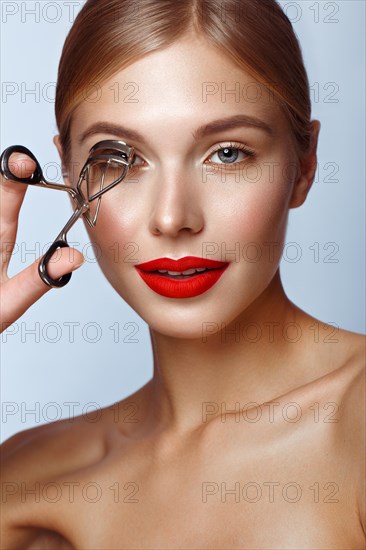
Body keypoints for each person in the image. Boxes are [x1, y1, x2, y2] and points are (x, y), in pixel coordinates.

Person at [1, 0, 365, 548]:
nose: (173, 218)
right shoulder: (27, 482)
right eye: (120, 158)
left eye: (227, 154)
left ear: (304, 165)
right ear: (69, 174)